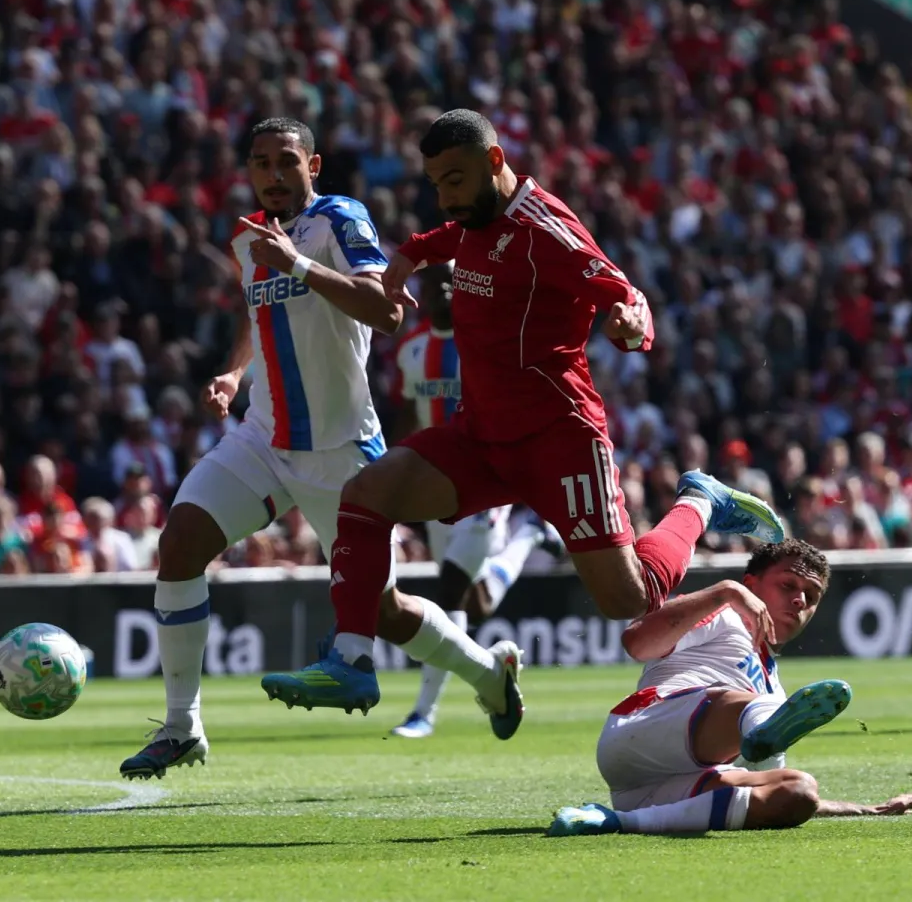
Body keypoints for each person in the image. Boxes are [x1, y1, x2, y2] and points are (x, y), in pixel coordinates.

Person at [260, 109, 786, 715]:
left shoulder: (548, 230)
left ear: (494, 161)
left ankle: (700, 501)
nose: (444, 196)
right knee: (365, 494)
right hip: (482, 437)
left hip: (559, 439)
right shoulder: (478, 217)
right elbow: (460, 236)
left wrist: (629, 323)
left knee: (627, 600)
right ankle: (352, 660)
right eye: (435, 183)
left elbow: (622, 293)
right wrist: (410, 255)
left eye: (454, 180)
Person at [120, 117, 520, 780]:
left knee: (385, 614)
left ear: (313, 166)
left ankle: (488, 672)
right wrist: (232, 372)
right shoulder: (248, 240)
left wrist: (300, 265)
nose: (273, 174)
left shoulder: (340, 219)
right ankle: (181, 724)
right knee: (181, 541)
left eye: (285, 161)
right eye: (260, 162)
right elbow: (260, 316)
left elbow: (388, 310)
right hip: (264, 437)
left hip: (342, 451)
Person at [548, 540, 912, 836]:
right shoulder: (723, 614)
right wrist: (726, 591)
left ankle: (618, 821)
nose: (799, 599)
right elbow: (636, 642)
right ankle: (755, 730)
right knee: (746, 705)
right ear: (752, 584)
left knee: (797, 791)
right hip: (642, 730)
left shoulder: (774, 689)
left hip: (663, 786)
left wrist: (871, 809)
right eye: (788, 584)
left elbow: (767, 782)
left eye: (811, 596)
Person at [389, 262, 565, 738]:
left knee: (448, 592)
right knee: (473, 601)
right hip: (431, 490)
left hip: (484, 485)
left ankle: (424, 711)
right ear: (421, 294)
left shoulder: (483, 345)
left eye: (451, 281)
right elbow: (408, 416)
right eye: (433, 285)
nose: (443, 290)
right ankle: (529, 537)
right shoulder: (411, 349)